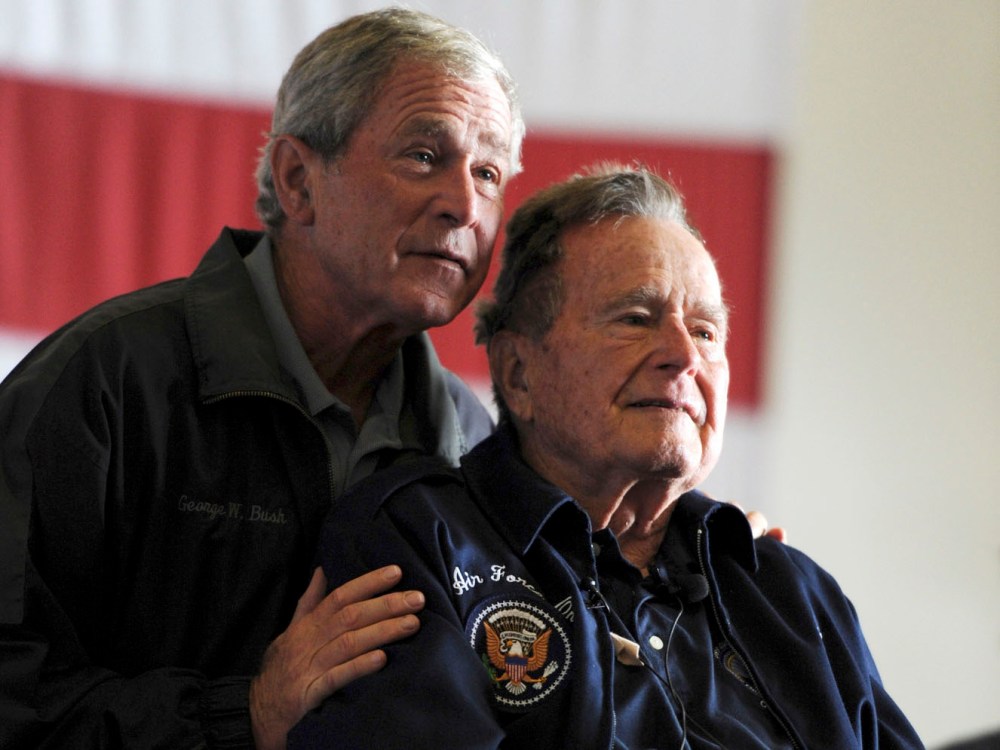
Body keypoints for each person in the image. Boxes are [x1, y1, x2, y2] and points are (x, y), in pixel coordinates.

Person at [0, 8, 521, 749]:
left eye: (489, 172)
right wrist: (243, 715)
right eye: (423, 155)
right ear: (298, 180)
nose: (465, 205)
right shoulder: (107, 384)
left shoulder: (473, 450)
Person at [289, 164, 924, 748]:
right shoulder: (418, 541)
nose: (684, 355)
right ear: (519, 374)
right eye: (635, 318)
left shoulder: (791, 588)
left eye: (705, 331)